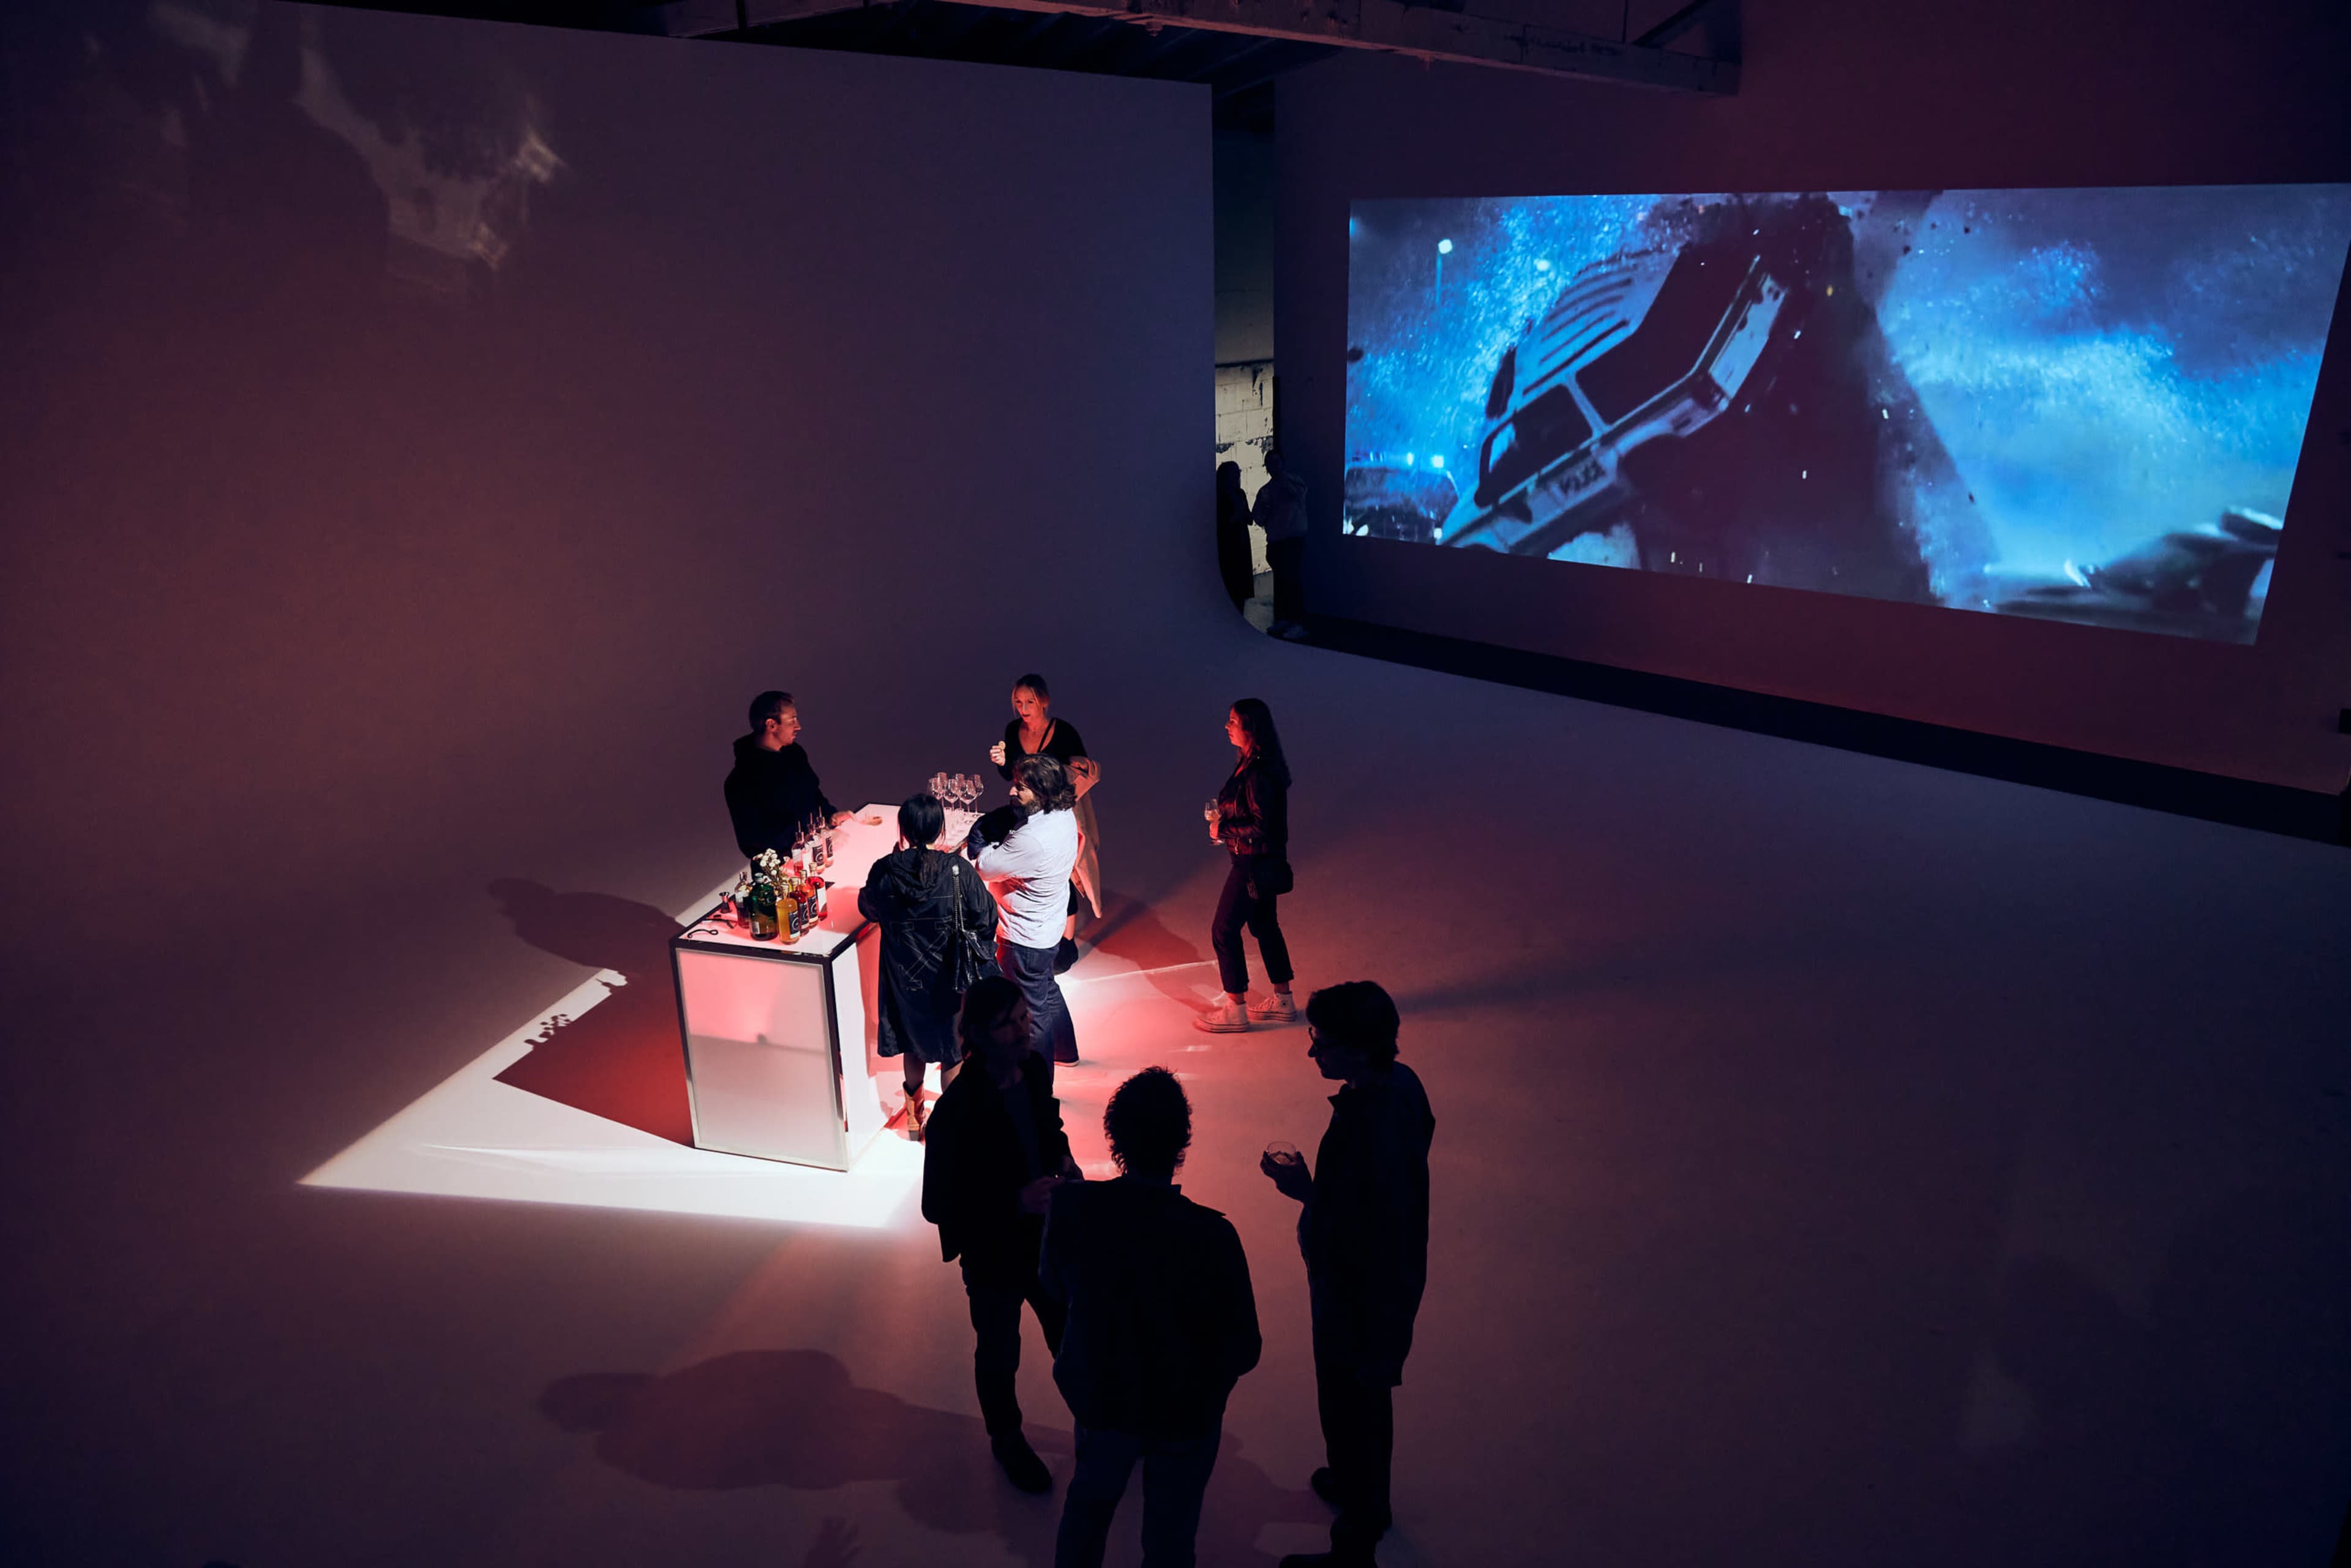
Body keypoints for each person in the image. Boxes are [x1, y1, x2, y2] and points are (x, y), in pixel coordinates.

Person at [1044, 1067, 1261, 1568]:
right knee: (1170, 1539)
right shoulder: (1213, 1236)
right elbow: (1245, 1347)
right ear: (1183, 1139)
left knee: (1087, 1512)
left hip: (1101, 1398)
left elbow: (1055, 1288)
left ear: (1114, 1136)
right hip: (1184, 1415)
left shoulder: (1072, 1207)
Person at [1259, 982, 1434, 1568]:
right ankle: (1369, 1500)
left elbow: (1364, 1233)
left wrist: (1306, 1191)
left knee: (1348, 1406)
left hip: (1357, 1299)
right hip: (1381, 1294)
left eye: (1323, 1042)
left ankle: (1353, 1548)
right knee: (1368, 1403)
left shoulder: (1368, 1126)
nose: (1313, 1052)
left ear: (1359, 1050)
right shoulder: (1401, 1085)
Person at [920, 976, 1083, 1495]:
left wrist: (1062, 1156)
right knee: (998, 1348)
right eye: (1008, 1023)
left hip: (1046, 1239)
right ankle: (1006, 1437)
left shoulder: (1034, 1069)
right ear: (979, 1034)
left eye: (1022, 1018)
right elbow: (937, 1205)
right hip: (994, 1253)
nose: (1022, 1030)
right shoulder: (955, 1112)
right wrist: (1015, 1200)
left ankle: (1101, 1422)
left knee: (1071, 1336)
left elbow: (1047, 1123)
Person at [857, 792, 1001, 1137]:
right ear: (941, 830)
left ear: (903, 829)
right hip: (950, 974)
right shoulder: (957, 870)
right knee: (952, 1050)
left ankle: (912, 1119)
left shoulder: (885, 870)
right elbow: (986, 917)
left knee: (912, 1042)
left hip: (903, 976)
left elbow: (869, 908)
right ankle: (951, 1126)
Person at [969, 753, 1082, 1070]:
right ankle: (1065, 1052)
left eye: (1021, 788)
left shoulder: (1032, 838)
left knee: (1033, 1015)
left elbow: (985, 867)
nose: (1011, 792)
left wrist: (981, 836)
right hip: (1047, 927)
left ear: (1043, 792)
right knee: (1045, 989)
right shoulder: (1063, 814)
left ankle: (1039, 1089)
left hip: (1024, 937)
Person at [988, 673, 1103, 973]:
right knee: (1030, 872)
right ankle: (1038, 936)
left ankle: (1066, 944)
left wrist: (1073, 769)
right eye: (1018, 702)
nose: (1023, 708)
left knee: (1064, 872)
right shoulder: (1013, 730)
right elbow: (1010, 774)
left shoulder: (1063, 731)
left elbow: (1083, 769)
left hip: (1058, 812)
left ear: (1044, 701)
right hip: (1025, 810)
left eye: (1030, 702)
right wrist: (1003, 762)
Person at [1198, 697, 1295, 1033]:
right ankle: (1283, 1000)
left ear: (1251, 728)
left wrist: (1222, 829)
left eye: (1233, 721)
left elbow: (1262, 824)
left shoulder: (1257, 771)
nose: (1227, 727)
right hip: (1261, 861)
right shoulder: (1253, 762)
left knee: (1223, 930)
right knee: (1265, 926)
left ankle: (1235, 1008)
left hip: (1252, 864)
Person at [724, 690, 853, 860]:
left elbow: (813, 794)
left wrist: (831, 816)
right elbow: (752, 842)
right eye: (792, 721)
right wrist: (802, 840)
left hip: (816, 853)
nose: (798, 726)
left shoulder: (795, 754)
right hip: (782, 868)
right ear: (771, 725)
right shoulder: (741, 780)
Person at [1253, 450, 1309, 639]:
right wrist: (1265, 508)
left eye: (1276, 461)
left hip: (1292, 541)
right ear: (1266, 466)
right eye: (1269, 462)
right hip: (1276, 543)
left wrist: (1282, 484)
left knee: (1292, 582)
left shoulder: (1294, 483)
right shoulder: (1265, 491)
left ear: (1283, 463)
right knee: (1281, 583)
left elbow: (1300, 494)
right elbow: (1258, 518)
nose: (1273, 466)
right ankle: (1283, 619)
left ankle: (1298, 623)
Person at [1215, 460, 1256, 609]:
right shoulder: (1219, 496)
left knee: (1240, 585)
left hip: (1241, 541)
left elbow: (1247, 517)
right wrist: (1238, 515)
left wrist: (1249, 516)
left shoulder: (1240, 493)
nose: (1237, 476)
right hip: (1228, 543)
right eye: (1234, 473)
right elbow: (1222, 522)